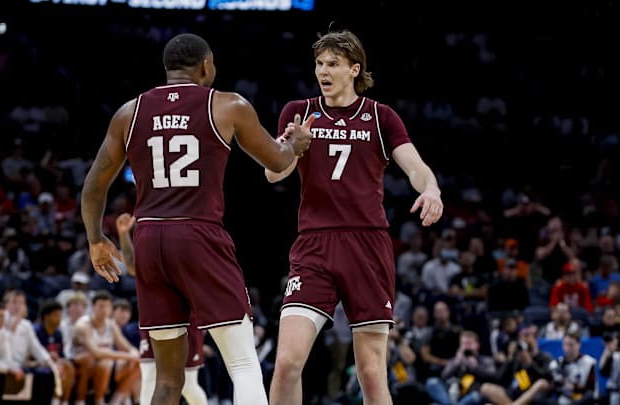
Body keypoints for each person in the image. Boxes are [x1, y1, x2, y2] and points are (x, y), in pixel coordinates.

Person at [80, 32, 314, 405]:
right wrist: (296, 144)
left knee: (168, 380)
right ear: (205, 66)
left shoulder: (130, 112)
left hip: (150, 239)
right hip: (198, 234)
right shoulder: (227, 104)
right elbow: (278, 159)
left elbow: (93, 187)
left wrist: (96, 239)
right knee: (242, 364)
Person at [265, 29, 443, 405]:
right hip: (314, 244)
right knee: (286, 363)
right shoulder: (300, 111)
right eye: (319, 64)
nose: (323, 71)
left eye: (332, 64)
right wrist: (293, 148)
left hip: (367, 244)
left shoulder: (381, 116)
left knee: (372, 373)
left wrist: (431, 189)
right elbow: (272, 174)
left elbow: (415, 167)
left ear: (353, 69)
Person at [116, 213, 208, 405]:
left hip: (187, 320)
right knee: (149, 374)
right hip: (154, 318)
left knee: (188, 384)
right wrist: (124, 235)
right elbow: (133, 267)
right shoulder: (150, 241)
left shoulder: (189, 243)